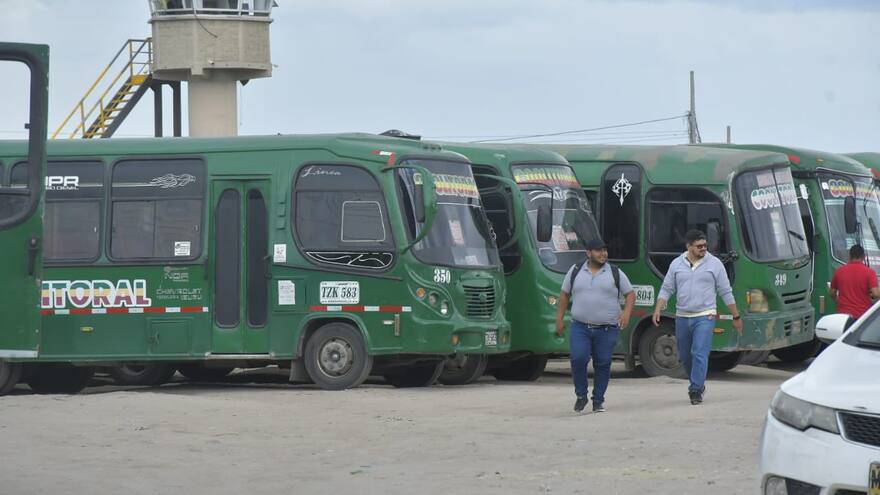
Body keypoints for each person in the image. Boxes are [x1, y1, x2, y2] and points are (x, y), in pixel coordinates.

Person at [651, 229, 743, 405]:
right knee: (685, 355)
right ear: (688, 246)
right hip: (682, 316)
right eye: (699, 246)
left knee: (699, 353)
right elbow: (667, 288)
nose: (703, 249)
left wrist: (736, 316)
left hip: (705, 315)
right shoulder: (676, 264)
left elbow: (725, 292)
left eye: (705, 245)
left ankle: (695, 389)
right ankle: (697, 381)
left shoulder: (715, 264)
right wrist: (657, 309)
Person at [556, 238, 635, 414]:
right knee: (578, 359)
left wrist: (626, 313)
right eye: (599, 251)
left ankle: (598, 400)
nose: (603, 254)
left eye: (605, 250)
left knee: (603, 363)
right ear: (588, 253)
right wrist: (559, 319)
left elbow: (630, 294)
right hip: (580, 327)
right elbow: (564, 295)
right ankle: (581, 395)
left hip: (607, 329)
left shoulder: (615, 272)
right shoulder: (576, 270)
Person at [830, 244, 880, 320]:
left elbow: (832, 293)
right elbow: (876, 294)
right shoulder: (870, 272)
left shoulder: (839, 271)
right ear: (863, 257)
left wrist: (839, 301)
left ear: (849, 256)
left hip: (843, 317)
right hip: (862, 317)